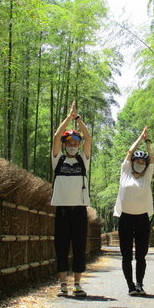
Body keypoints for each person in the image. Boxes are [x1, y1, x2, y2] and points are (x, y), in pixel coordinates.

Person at [51, 101, 91, 297]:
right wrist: (68, 118)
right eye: (70, 143)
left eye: (76, 143)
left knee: (79, 246)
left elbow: (89, 138)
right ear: (65, 145)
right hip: (62, 210)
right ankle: (62, 285)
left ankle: (77, 284)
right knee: (61, 247)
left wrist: (78, 119)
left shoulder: (83, 161)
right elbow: (56, 136)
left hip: (79, 210)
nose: (73, 146)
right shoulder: (58, 159)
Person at [114, 127, 154, 296]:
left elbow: (152, 158)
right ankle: (130, 285)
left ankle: (139, 284)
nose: (140, 164)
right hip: (125, 218)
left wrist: (148, 143)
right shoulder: (125, 173)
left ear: (145, 166)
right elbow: (130, 152)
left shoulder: (147, 177)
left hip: (142, 219)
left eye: (142, 163)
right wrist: (140, 137)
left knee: (141, 255)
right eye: (137, 162)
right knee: (126, 255)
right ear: (132, 163)